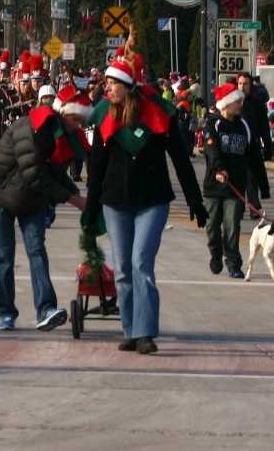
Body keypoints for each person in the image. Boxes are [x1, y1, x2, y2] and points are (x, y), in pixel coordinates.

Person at [83, 51, 208, 355]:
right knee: (123, 268)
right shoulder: (104, 115)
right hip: (116, 202)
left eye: (112, 83)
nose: (106, 87)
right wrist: (91, 206)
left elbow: (181, 160)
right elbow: (96, 167)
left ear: (127, 85)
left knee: (141, 263)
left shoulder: (158, 115)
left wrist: (195, 200)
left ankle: (145, 332)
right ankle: (130, 329)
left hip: (152, 201)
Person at [0, 82, 90, 331]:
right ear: (66, 114)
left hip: (31, 198)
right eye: (77, 121)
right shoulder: (32, 129)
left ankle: (46, 309)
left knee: (36, 250)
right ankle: (6, 313)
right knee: (5, 257)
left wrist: (77, 194)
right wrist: (74, 200)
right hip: (0, 195)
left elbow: (55, 171)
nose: (79, 127)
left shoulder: (61, 133)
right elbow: (36, 175)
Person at [203, 83, 270, 278]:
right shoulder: (213, 124)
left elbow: (255, 158)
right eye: (237, 101)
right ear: (226, 103)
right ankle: (215, 254)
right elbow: (212, 150)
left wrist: (263, 186)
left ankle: (233, 263)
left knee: (232, 225)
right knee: (212, 228)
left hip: (236, 187)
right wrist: (219, 169)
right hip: (214, 186)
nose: (241, 103)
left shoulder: (244, 126)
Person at [237, 73, 272, 219]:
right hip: (236, 146)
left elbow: (264, 127)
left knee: (252, 178)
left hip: (252, 146)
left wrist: (268, 147)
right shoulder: (233, 102)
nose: (242, 86)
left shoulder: (257, 104)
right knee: (237, 178)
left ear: (250, 86)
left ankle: (254, 207)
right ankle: (237, 208)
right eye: (240, 83)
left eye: (245, 84)